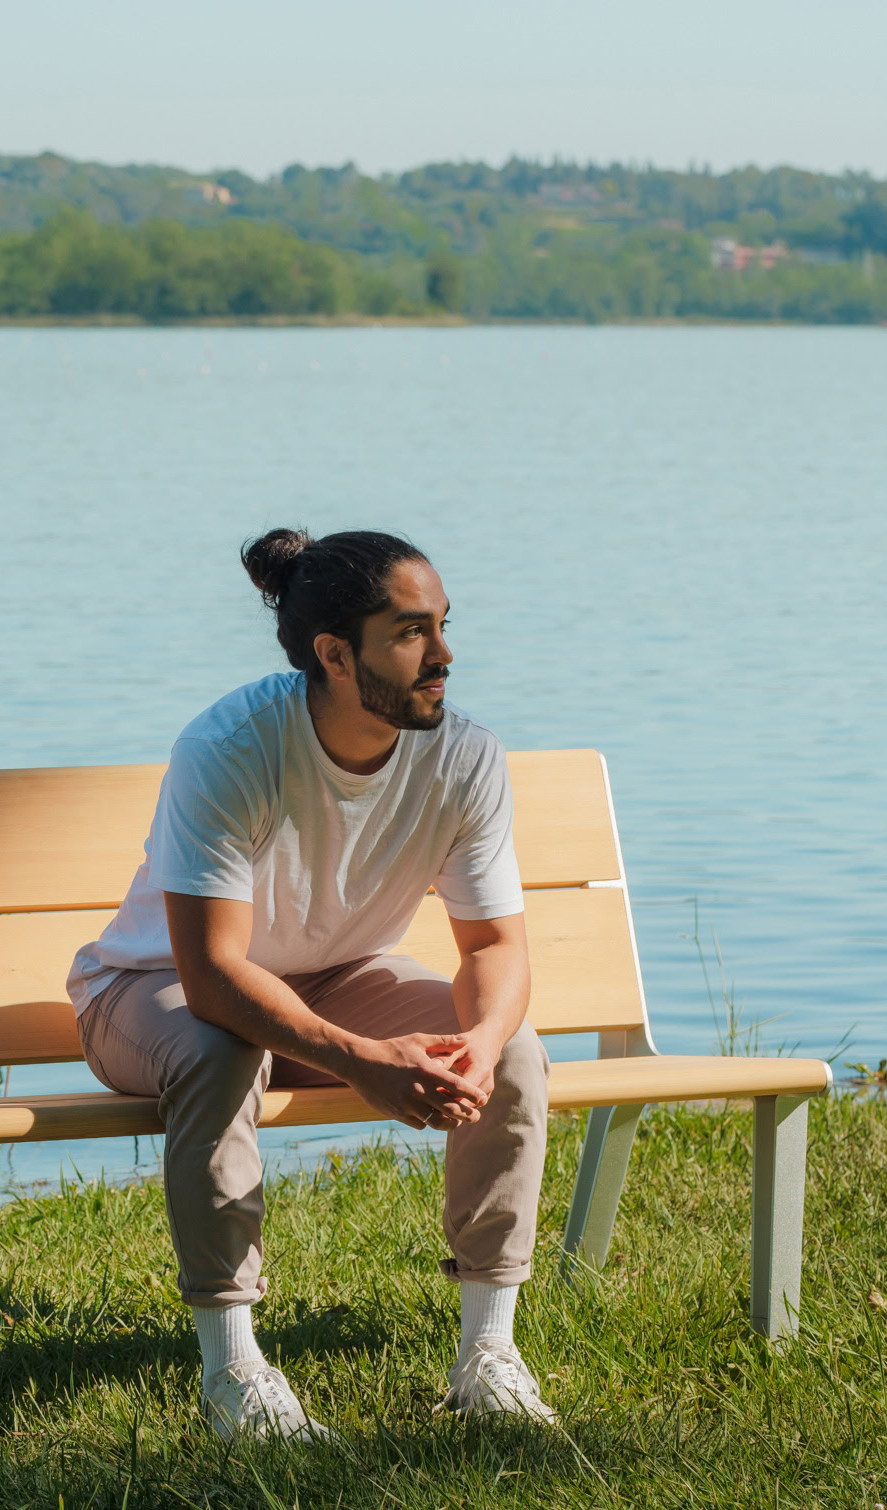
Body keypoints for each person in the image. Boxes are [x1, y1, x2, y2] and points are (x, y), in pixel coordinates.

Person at [67, 528, 553, 1440]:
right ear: (333, 654)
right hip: (150, 989)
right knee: (222, 1050)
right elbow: (213, 976)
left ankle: (488, 1353)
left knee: (516, 1049)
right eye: (411, 633)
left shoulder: (464, 759)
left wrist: (478, 1047)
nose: (444, 655)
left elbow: (494, 946)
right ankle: (233, 1373)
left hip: (336, 979)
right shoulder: (233, 747)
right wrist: (362, 1059)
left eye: (444, 626)